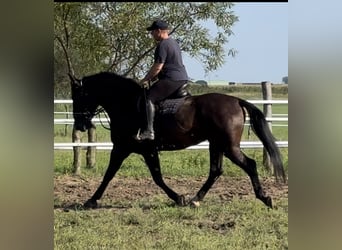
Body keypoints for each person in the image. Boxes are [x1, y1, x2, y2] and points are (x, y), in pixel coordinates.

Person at [135, 20, 189, 141]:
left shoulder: (163, 45)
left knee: (148, 98)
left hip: (171, 79)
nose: (151, 35)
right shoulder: (173, 43)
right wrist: (154, 77)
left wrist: (145, 79)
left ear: (159, 31)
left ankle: (148, 131)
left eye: (152, 32)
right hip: (181, 78)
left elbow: (158, 66)